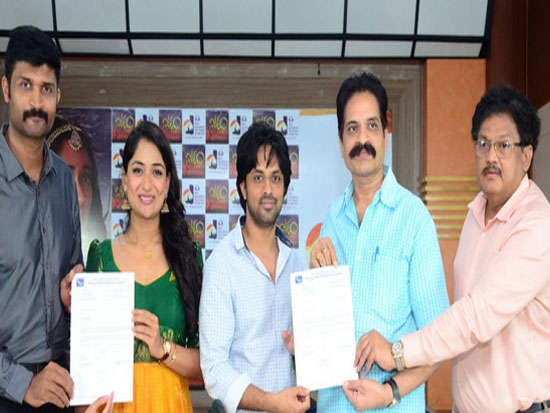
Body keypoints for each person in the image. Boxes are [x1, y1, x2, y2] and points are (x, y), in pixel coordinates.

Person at [346, 85, 550, 413]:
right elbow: (456, 325)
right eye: (483, 144)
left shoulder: (536, 226)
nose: (491, 157)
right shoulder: (476, 214)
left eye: (503, 145)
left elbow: (476, 316)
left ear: (526, 156)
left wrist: (396, 353)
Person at [308, 72, 450, 412]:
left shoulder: (414, 220)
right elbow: (323, 325)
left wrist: (389, 391)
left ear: (386, 134)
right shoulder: (331, 218)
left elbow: (440, 341)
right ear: (340, 142)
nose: (362, 139)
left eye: (371, 126)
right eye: (352, 128)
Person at [84, 121, 203, 412]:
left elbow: (205, 363)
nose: (147, 184)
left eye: (157, 172)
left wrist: (162, 348)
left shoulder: (189, 257)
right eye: (138, 170)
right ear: (124, 180)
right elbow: (87, 361)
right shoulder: (101, 257)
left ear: (168, 183)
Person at [200, 121, 311, 413]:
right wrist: (271, 402)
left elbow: (309, 358)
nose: (268, 190)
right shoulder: (221, 265)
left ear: (285, 188)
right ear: (243, 188)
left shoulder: (297, 264)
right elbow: (214, 368)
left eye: (276, 178)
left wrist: (302, 353)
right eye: (258, 177)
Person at [0, 25, 83, 411]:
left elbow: (72, 271)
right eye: (25, 85)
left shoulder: (64, 180)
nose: (36, 101)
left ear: (58, 96)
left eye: (46, 88)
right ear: (6, 89)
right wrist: (23, 385)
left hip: (59, 387)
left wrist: (71, 292)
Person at [47, 115, 106, 255]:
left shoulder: (101, 259)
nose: (81, 198)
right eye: (65, 178)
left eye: (85, 178)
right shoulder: (20, 258)